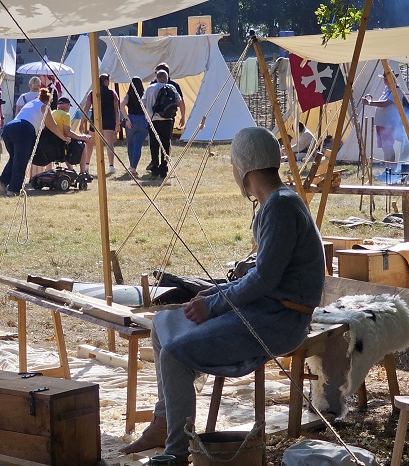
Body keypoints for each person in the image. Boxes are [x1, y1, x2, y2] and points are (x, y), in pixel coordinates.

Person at [119, 127, 325, 462]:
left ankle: (176, 452)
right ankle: (163, 422)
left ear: (243, 169)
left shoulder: (281, 206)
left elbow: (263, 280)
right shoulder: (274, 203)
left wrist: (213, 304)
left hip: (280, 320)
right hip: (266, 309)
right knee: (163, 323)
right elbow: (259, 276)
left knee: (174, 354)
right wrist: (210, 295)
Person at [0, 88, 70, 196]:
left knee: (15, 158)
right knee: (21, 161)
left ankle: (3, 180)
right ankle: (14, 189)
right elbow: (52, 126)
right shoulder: (44, 107)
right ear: (49, 100)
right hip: (24, 130)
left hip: (9, 128)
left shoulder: (31, 103)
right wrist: (64, 138)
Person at [361, 72, 404, 175]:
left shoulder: (396, 90)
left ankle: (392, 169)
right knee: (385, 147)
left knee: (388, 146)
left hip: (389, 123)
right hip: (382, 123)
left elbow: (386, 103)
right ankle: (387, 169)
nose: (385, 80)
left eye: (387, 78)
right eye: (384, 78)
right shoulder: (387, 90)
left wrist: (369, 103)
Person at [80, 73, 120, 175]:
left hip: (96, 120)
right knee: (109, 144)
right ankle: (111, 166)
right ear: (106, 81)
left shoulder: (92, 93)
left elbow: (86, 108)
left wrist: (82, 122)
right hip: (109, 120)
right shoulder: (112, 93)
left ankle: (87, 164)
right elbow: (116, 110)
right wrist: (117, 123)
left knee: (90, 143)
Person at [143, 70, 179, 179]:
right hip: (167, 120)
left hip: (153, 120)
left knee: (154, 145)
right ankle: (164, 169)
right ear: (167, 78)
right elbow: (179, 101)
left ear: (157, 78)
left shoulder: (150, 88)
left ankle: (155, 169)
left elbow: (143, 102)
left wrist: (148, 115)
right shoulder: (171, 88)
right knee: (165, 145)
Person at [120, 77, 149, 177]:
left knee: (130, 144)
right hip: (142, 120)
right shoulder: (144, 95)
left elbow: (122, 105)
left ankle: (131, 166)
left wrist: (126, 118)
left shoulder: (129, 95)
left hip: (131, 120)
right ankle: (133, 168)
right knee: (138, 146)